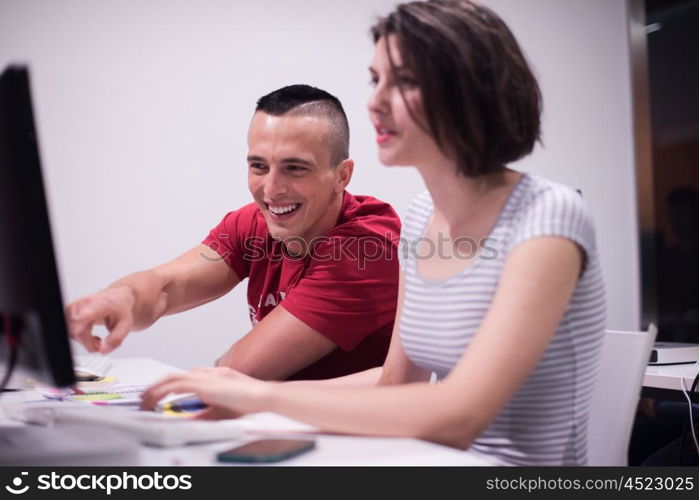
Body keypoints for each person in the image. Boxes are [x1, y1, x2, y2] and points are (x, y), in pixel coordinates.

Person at [141, 0, 606, 465]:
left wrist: (262, 399)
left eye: (403, 82)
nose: (374, 102)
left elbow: (459, 416)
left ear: (470, 92)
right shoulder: (423, 217)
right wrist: (245, 397)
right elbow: (397, 385)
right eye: (375, 79)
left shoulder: (549, 215)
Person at [68, 84, 401, 381]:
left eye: (294, 168)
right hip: (283, 429)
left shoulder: (366, 248)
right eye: (259, 166)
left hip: (362, 444)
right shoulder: (256, 223)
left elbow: (236, 373)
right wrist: (119, 299)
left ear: (342, 176)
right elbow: (167, 287)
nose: (271, 189)